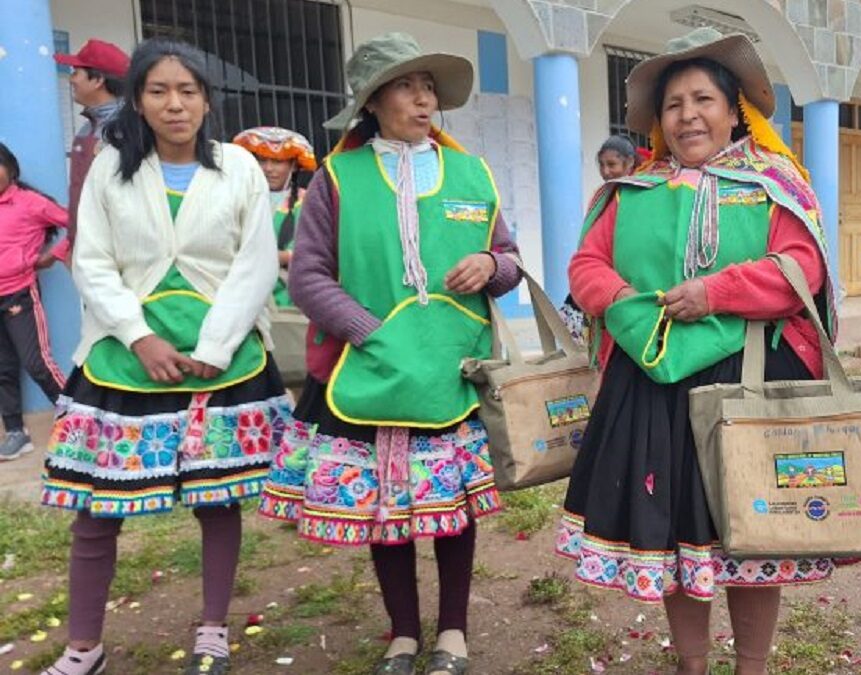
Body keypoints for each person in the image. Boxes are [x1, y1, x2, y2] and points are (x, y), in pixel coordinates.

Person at [555, 28, 838, 675]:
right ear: (658, 120)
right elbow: (586, 266)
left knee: (749, 530)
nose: (688, 114)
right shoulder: (633, 191)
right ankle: (692, 663)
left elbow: (801, 270)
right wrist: (633, 309)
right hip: (655, 388)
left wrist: (714, 292)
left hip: (751, 378)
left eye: (703, 98)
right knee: (679, 534)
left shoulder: (774, 184)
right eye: (674, 103)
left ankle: (753, 665)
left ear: (736, 108)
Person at [258, 32, 521, 675]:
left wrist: (490, 263)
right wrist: (368, 331)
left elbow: (514, 265)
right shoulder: (339, 178)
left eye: (428, 85)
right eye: (407, 85)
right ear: (372, 101)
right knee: (388, 509)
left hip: (453, 371)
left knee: (452, 509)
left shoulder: (470, 172)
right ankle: (403, 634)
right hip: (370, 366)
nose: (423, 97)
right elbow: (310, 276)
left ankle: (452, 634)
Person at [39, 39, 287, 675]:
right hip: (125, 359)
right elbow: (90, 259)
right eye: (159, 91)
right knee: (96, 507)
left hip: (220, 362)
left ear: (207, 100)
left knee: (217, 500)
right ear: (138, 101)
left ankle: (212, 629)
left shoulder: (238, 169)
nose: (175, 104)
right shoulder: (111, 166)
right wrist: (137, 335)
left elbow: (255, 264)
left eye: (188, 91)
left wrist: (215, 345)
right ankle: (83, 646)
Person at [0, 143, 69, 461]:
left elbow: (76, 224)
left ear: (10, 168)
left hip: (19, 293)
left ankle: (75, 421)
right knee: (2, 369)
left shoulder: (29, 203)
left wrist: (51, 256)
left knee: (37, 363)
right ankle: (16, 432)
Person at [560, 135, 643, 345]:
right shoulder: (604, 195)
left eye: (612, 164)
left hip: (629, 290)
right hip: (603, 284)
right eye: (602, 165)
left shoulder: (642, 194)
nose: (606, 171)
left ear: (630, 162)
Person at [231, 126, 317, 308]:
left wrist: (276, 256)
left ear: (293, 166)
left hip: (286, 299)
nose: (268, 169)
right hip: (237, 294)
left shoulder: (309, 201)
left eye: (278, 162)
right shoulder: (235, 198)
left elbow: (319, 252)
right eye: (262, 160)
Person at [54, 38, 130, 239]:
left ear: (98, 81)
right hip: (87, 245)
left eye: (76, 72)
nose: (71, 79)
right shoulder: (87, 128)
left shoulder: (129, 127)